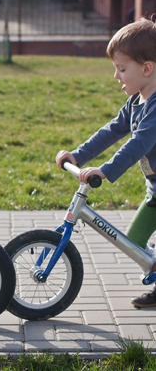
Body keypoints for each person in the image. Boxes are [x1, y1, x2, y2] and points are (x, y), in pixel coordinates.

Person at [55, 16, 156, 309]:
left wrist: (106, 170)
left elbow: (139, 145)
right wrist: (78, 155)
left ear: (147, 69)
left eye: (122, 69)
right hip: (154, 192)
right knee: (134, 242)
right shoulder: (137, 101)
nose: (116, 76)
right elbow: (112, 130)